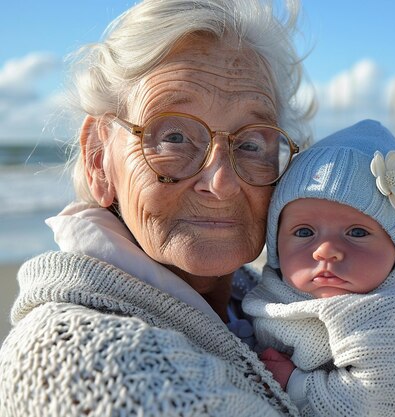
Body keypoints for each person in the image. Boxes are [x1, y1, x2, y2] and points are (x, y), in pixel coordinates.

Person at [0, 1, 314, 415]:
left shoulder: (264, 302)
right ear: (98, 157)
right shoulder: (85, 362)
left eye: (252, 144)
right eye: (174, 137)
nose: (221, 182)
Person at [243, 120, 395, 417]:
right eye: (304, 232)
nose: (325, 250)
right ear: (276, 244)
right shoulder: (269, 294)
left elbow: (385, 390)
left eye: (356, 232)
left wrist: (295, 383)